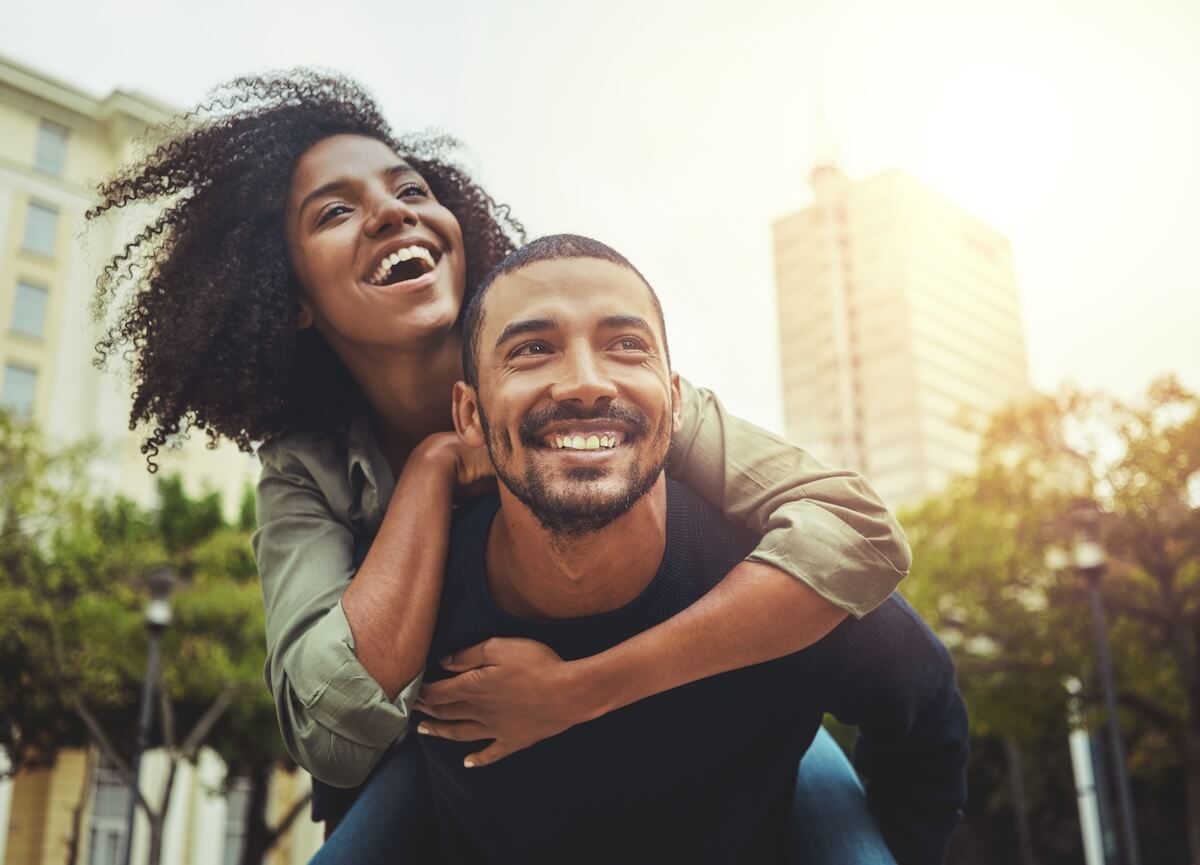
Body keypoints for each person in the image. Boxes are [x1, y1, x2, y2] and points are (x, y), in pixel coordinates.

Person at [87, 71, 912, 851]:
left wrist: (586, 687)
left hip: (706, 700)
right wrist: (433, 470)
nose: (391, 214)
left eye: (412, 190)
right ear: (289, 296)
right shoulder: (305, 471)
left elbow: (854, 530)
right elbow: (328, 729)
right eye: (334, 212)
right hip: (455, 753)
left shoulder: (594, 390)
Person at [414, 234, 968, 865]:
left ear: (676, 401)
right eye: (533, 350)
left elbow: (927, 713)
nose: (585, 384)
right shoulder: (423, 596)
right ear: (469, 414)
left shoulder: (790, 583)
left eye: (626, 346)